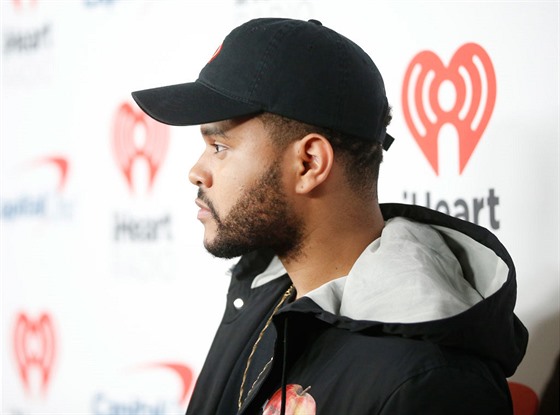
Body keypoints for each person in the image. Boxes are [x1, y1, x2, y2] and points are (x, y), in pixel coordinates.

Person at [132, 17, 528, 415]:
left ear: (309, 163)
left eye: (219, 146)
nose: (196, 172)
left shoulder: (432, 382)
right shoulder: (260, 296)